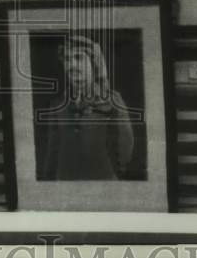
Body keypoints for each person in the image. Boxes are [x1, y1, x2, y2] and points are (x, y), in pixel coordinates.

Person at [39, 34, 135, 181]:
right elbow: (52, 150)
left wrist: (118, 173)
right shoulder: (57, 104)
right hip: (64, 185)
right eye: (67, 59)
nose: (72, 66)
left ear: (93, 62)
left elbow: (125, 144)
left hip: (103, 182)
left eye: (79, 58)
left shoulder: (112, 99)